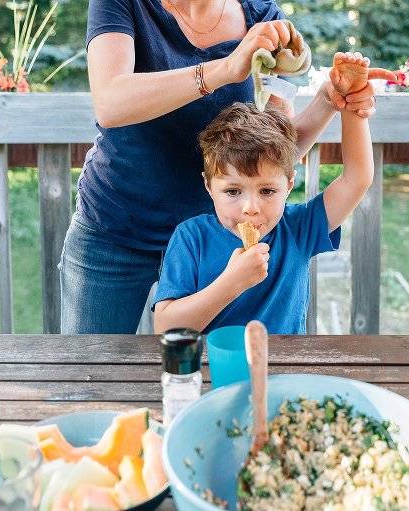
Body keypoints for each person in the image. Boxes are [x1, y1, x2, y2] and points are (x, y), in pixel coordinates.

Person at [60, 0, 391, 334]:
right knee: (89, 368)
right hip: (117, 227)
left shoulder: (263, 19)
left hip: (222, 232)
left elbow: (274, 150)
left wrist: (331, 101)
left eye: (265, 192)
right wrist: (227, 68)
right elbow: (110, 103)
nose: (253, 203)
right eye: (240, 191)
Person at [152, 53, 382, 334]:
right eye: (233, 190)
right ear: (209, 186)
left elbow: (357, 178)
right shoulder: (191, 238)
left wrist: (351, 104)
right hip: (213, 372)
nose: (251, 207)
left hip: (283, 374)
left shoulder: (298, 229)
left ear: (288, 185)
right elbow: (165, 327)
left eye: (267, 190)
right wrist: (231, 283)